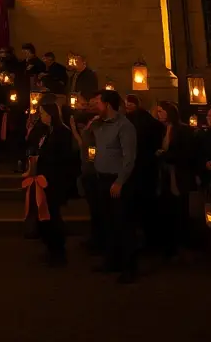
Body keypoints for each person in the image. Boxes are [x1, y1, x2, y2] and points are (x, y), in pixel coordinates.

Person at [91, 90, 138, 283]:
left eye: (98, 103)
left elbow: (129, 158)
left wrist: (120, 181)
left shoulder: (124, 127)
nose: (95, 107)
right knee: (107, 223)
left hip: (117, 181)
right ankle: (112, 260)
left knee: (122, 224)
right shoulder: (99, 125)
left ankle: (129, 268)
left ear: (108, 105)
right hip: (101, 179)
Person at [154, 100, 196, 260]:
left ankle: (181, 244)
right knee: (167, 209)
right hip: (165, 175)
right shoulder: (163, 130)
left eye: (162, 111)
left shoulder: (182, 130)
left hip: (178, 174)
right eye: (157, 112)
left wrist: (166, 155)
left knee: (179, 210)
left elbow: (186, 153)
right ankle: (169, 245)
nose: (159, 115)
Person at [32, 101, 69, 265]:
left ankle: (58, 251)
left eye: (44, 114)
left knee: (54, 215)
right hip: (45, 178)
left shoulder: (61, 132)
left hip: (55, 179)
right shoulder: (47, 132)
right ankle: (51, 247)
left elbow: (63, 157)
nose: (42, 117)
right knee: (47, 213)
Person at [124, 93, 163, 250]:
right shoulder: (151, 123)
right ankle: (151, 240)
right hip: (148, 167)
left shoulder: (133, 122)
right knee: (148, 206)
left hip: (138, 168)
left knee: (140, 206)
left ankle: (143, 241)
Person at [70, 102, 102, 253]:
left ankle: (98, 241)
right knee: (93, 209)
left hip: (92, 170)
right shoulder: (91, 125)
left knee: (97, 209)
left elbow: (90, 146)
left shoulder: (96, 125)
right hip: (88, 168)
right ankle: (95, 238)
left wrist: (91, 159)